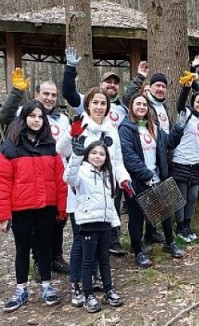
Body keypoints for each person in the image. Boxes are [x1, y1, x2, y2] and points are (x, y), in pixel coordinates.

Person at [57, 87, 131, 305]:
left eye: (103, 103)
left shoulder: (111, 130)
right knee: (81, 242)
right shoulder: (80, 126)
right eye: (95, 103)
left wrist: (124, 179)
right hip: (80, 192)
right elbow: (61, 149)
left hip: (104, 194)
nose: (99, 107)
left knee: (100, 241)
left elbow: (117, 162)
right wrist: (72, 133)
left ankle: (95, 279)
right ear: (88, 104)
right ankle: (77, 284)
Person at [0, 69, 72, 277]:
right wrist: (16, 92)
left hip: (55, 179)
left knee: (56, 225)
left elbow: (65, 151)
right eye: (46, 94)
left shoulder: (62, 118)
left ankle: (55, 257)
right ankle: (39, 262)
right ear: (37, 95)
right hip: (28, 183)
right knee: (32, 232)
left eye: (53, 95)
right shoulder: (25, 111)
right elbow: (5, 117)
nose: (49, 98)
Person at [0, 100, 67, 312]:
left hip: (46, 206)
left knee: (44, 247)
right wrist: (4, 214)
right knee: (22, 249)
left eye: (40, 117)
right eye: (32, 116)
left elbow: (59, 179)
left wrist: (62, 207)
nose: (36, 120)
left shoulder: (50, 146)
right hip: (21, 208)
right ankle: (21, 289)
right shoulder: (10, 147)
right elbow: (3, 182)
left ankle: (47, 286)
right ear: (24, 118)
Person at [119, 93, 184, 268]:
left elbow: (168, 143)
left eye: (144, 105)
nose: (141, 107)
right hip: (136, 180)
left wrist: (178, 128)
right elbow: (128, 156)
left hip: (157, 177)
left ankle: (169, 243)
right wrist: (145, 174)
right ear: (131, 106)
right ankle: (138, 251)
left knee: (166, 212)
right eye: (138, 104)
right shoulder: (125, 128)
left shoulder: (153, 127)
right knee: (136, 217)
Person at [63, 140, 123, 313]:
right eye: (94, 153)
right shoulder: (81, 172)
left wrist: (114, 222)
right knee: (88, 260)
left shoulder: (107, 174)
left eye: (102, 154)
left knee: (104, 259)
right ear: (88, 154)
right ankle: (88, 294)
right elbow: (68, 178)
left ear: (106, 158)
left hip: (104, 222)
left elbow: (110, 201)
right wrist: (76, 156)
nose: (98, 156)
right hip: (88, 223)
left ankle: (108, 289)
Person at [170, 77, 199, 243]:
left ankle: (188, 224)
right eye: (198, 102)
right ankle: (179, 226)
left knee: (193, 196)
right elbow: (180, 105)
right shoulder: (186, 114)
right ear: (193, 103)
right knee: (181, 196)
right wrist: (187, 88)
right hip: (181, 160)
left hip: (196, 163)